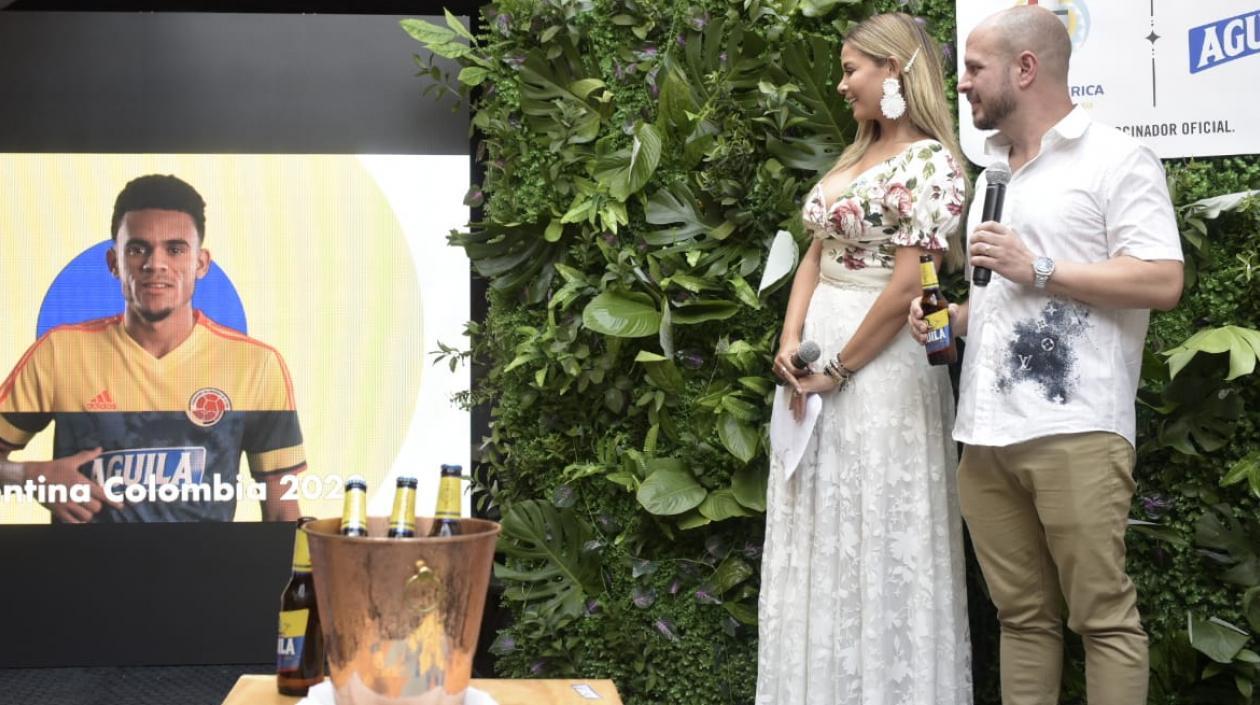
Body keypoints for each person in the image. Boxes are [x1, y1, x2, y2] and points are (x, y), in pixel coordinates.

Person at [909, 7, 1184, 705]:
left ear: (1024, 69)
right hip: (985, 431)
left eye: (974, 68)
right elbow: (1004, 306)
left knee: (1104, 621)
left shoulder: (1118, 158)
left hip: (1078, 429)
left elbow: (1162, 278)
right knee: (1022, 619)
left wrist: (1038, 266)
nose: (962, 84)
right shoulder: (993, 175)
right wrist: (947, 319)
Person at [758, 13, 972, 705]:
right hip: (815, 362)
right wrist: (791, 342)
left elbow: (911, 283)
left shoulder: (933, 164)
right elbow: (816, 253)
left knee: (880, 532)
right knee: (818, 535)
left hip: (882, 370)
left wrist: (841, 368)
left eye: (852, 69)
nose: (842, 81)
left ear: (895, 73)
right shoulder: (852, 160)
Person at [0, 174, 307, 523]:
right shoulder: (60, 353)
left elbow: (283, 510)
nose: (154, 264)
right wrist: (30, 476)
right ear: (114, 262)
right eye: (137, 249)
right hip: (83, 574)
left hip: (207, 575)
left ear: (201, 263)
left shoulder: (256, 365)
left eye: (175, 249)